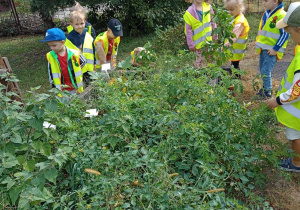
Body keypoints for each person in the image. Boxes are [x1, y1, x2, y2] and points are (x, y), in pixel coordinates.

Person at [266, 2, 300, 172]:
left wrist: (277, 101)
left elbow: (297, 90)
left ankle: (296, 163)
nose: (288, 34)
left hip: (297, 113)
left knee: (296, 136)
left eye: (290, 31)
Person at [255, 0, 289, 98]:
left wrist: (276, 49)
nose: (263, 2)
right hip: (263, 48)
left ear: (275, 1)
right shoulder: (267, 13)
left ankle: (267, 92)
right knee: (262, 70)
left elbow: (285, 34)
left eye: (265, 0)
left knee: (266, 70)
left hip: (271, 51)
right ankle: (265, 88)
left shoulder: (282, 15)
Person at [40, 28, 86, 95]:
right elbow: (50, 73)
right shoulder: (50, 56)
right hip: (61, 90)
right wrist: (53, 86)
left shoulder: (74, 53)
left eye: (54, 45)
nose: (51, 48)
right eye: (49, 46)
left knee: (77, 102)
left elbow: (84, 61)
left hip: (75, 87)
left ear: (62, 42)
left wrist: (75, 70)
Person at [183, 0, 217, 68]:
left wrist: (215, 36)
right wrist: (191, 45)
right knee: (199, 63)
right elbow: (188, 31)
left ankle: (211, 77)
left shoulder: (208, 7)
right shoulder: (189, 13)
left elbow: (213, 22)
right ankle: (201, 77)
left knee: (211, 61)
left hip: (209, 42)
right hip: (198, 45)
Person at [65, 11, 95, 85]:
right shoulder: (70, 38)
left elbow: (93, 49)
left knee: (90, 83)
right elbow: (68, 54)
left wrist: (94, 62)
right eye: (77, 24)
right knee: (79, 84)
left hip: (88, 66)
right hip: (77, 67)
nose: (80, 26)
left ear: (85, 22)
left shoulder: (87, 34)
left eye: (82, 23)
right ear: (71, 24)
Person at [224, 0, 250, 77]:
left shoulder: (240, 21)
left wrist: (225, 45)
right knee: (234, 64)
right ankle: (235, 78)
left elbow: (234, 36)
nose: (229, 12)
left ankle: (236, 80)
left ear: (240, 7)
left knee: (235, 66)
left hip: (236, 49)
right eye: (228, 10)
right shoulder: (236, 17)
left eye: (232, 10)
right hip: (234, 48)